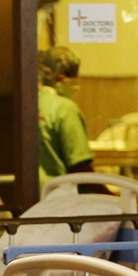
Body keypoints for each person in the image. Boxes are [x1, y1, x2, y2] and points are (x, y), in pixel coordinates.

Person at [37, 45, 94, 191]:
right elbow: (81, 169)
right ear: (56, 76)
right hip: (58, 199)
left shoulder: (28, 104)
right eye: (71, 74)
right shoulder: (65, 109)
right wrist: (112, 197)